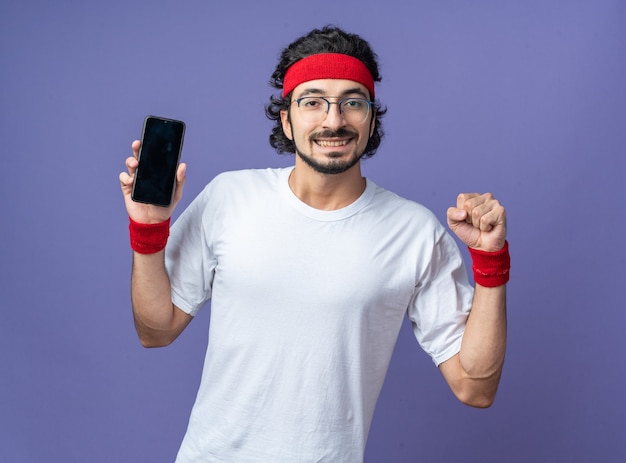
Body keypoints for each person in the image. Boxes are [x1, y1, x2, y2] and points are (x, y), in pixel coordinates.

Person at [119, 25, 510, 463]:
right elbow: (155, 331)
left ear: (371, 119)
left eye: (352, 103)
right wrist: (149, 230)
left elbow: (474, 387)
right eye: (313, 102)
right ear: (286, 118)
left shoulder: (415, 232)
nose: (333, 120)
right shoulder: (229, 198)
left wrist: (491, 262)